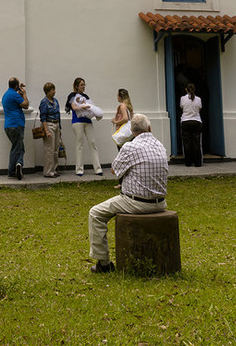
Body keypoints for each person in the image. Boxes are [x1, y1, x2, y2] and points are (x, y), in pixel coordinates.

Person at [86, 113, 168, 273]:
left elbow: (114, 170)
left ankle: (104, 263)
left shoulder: (130, 147)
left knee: (95, 213)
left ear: (132, 131)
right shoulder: (160, 145)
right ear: (149, 128)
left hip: (137, 203)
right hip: (160, 202)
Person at [67, 77, 104, 176]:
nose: (84, 87)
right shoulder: (72, 95)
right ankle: (79, 169)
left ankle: (98, 168)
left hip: (88, 121)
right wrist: (83, 106)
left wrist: (94, 110)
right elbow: (74, 107)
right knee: (79, 144)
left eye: (84, 84)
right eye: (82, 85)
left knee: (92, 143)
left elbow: (91, 108)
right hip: (77, 121)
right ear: (76, 86)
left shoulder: (86, 96)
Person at [2, 77, 30, 180]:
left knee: (18, 147)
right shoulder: (14, 95)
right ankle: (15, 167)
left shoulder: (6, 95)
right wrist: (24, 94)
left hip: (8, 125)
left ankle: (16, 166)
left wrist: (19, 91)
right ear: (16, 86)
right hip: (16, 124)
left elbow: (15, 102)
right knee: (17, 148)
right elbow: (26, 105)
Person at [38, 81, 63, 177]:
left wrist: (59, 128)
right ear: (47, 91)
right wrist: (46, 130)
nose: (54, 91)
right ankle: (48, 171)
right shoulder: (44, 102)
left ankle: (54, 169)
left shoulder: (55, 101)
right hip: (49, 124)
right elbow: (43, 117)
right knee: (49, 149)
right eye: (52, 90)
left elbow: (58, 114)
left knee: (56, 148)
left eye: (54, 89)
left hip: (56, 124)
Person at [179, 83, 204, 167]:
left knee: (186, 142)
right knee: (197, 142)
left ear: (186, 89)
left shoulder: (183, 98)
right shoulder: (198, 99)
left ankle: (188, 162)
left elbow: (182, 108)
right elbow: (199, 109)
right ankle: (198, 162)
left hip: (185, 121)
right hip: (197, 121)